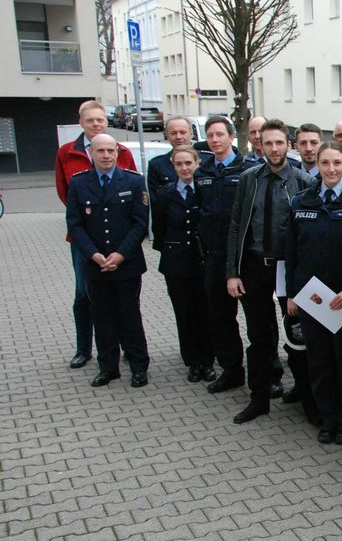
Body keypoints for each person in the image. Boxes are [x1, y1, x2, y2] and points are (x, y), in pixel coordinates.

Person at [226, 119, 314, 424]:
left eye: (279, 143)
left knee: (297, 334)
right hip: (254, 267)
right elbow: (236, 225)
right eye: (268, 143)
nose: (274, 149)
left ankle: (306, 397)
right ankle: (259, 398)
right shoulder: (249, 178)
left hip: (288, 269)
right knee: (259, 336)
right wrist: (232, 272)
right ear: (259, 146)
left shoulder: (303, 181)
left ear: (288, 145)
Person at [285, 142, 342, 444]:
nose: (331, 169)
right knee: (319, 360)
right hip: (312, 299)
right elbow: (291, 252)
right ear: (317, 165)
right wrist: (292, 293)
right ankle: (328, 418)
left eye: (337, 163)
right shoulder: (301, 202)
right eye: (325, 163)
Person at [55, 100, 137, 369]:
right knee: (83, 294)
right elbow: (65, 193)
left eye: (100, 119)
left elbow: (132, 190)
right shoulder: (67, 152)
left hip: (118, 240)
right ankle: (84, 349)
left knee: (122, 297)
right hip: (84, 241)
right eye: (90, 120)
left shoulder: (121, 151)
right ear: (81, 123)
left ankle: (126, 348)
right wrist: (88, 229)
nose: (96, 124)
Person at [65, 133, 150, 388]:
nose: (106, 155)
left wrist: (121, 254)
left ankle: (138, 367)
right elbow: (75, 224)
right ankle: (108, 368)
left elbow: (140, 223)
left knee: (129, 315)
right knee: (102, 317)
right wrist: (93, 254)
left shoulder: (134, 181)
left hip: (127, 263)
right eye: (100, 151)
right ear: (91, 153)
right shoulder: (79, 183)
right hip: (95, 264)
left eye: (110, 151)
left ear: (117, 152)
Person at [192, 116, 259, 397]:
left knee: (257, 319)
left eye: (220, 134)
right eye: (210, 135)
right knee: (220, 317)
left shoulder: (249, 169)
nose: (215, 140)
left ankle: (267, 374)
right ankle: (231, 370)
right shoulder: (202, 172)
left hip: (245, 257)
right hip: (215, 256)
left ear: (231, 137)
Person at [151, 145, 215, 383]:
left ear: (197, 164)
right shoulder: (165, 194)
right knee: (185, 312)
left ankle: (208, 360)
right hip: (176, 262)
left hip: (203, 261)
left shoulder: (206, 190)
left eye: (189, 163)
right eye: (179, 164)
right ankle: (193, 361)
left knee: (205, 311)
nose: (185, 168)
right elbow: (159, 229)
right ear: (173, 166)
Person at [147, 116, 210, 206]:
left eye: (183, 132)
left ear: (191, 134)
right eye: (173, 133)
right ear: (167, 136)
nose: (178, 137)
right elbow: (156, 203)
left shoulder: (208, 161)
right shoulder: (157, 165)